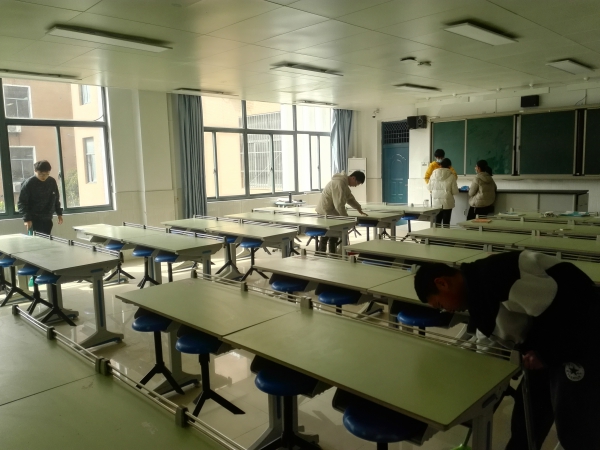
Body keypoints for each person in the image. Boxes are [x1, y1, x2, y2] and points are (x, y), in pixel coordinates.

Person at [414, 251, 600, 450]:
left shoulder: (499, 277)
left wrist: (545, 354)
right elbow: (490, 340)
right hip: (548, 345)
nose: (446, 310)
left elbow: (570, 309)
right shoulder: (476, 292)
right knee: (528, 417)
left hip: (583, 335)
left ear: (442, 283)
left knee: (575, 425)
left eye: (440, 304)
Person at [315, 171, 367, 253]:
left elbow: (350, 198)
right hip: (325, 211)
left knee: (333, 234)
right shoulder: (339, 183)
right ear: (353, 178)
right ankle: (321, 254)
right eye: (357, 183)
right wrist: (346, 218)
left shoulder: (344, 183)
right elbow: (339, 205)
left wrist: (358, 208)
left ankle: (332, 254)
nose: (356, 186)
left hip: (331, 211)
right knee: (326, 234)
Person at [18, 160, 63, 235]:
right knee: (35, 240)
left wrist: (59, 213)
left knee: (46, 239)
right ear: (35, 171)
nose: (44, 177)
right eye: (41, 174)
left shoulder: (52, 181)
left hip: (47, 218)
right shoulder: (29, 183)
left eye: (47, 174)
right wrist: (27, 219)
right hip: (33, 219)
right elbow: (22, 203)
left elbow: (56, 198)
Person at [427, 158, 458, 227]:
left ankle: (436, 234)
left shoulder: (433, 175)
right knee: (446, 223)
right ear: (449, 166)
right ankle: (445, 234)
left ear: (440, 165)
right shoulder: (452, 176)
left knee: (437, 222)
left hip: (436, 203)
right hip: (447, 203)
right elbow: (455, 192)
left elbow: (429, 188)